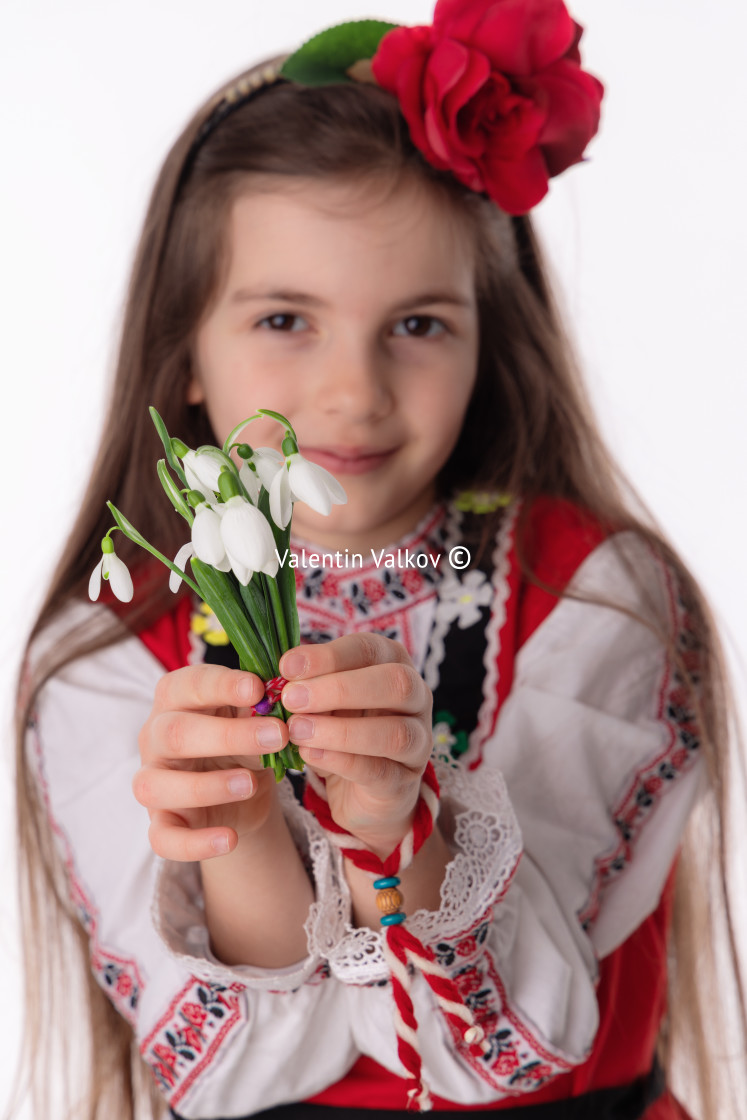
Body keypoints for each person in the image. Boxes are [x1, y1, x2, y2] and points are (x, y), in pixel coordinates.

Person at [12, 3, 745, 1119]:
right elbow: (241, 1074)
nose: (352, 393)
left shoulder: (598, 598)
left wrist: (401, 822)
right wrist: (242, 830)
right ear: (189, 353)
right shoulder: (106, 655)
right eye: (284, 319)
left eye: (416, 325)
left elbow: (507, 1050)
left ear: (489, 338)